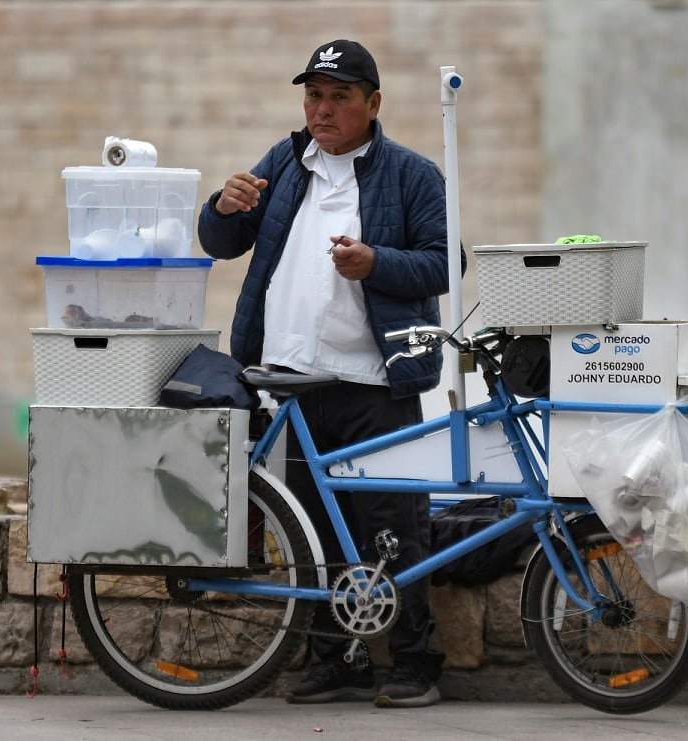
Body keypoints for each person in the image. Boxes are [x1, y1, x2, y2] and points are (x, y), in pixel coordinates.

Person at [197, 39, 459, 709]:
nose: (322, 108)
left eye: (340, 96)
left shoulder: (412, 174)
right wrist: (220, 206)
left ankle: (412, 662)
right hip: (285, 383)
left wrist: (377, 263)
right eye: (314, 94)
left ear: (372, 104)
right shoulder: (284, 164)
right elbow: (220, 243)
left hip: (375, 381)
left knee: (392, 526)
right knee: (309, 530)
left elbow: (444, 262)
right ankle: (334, 658)